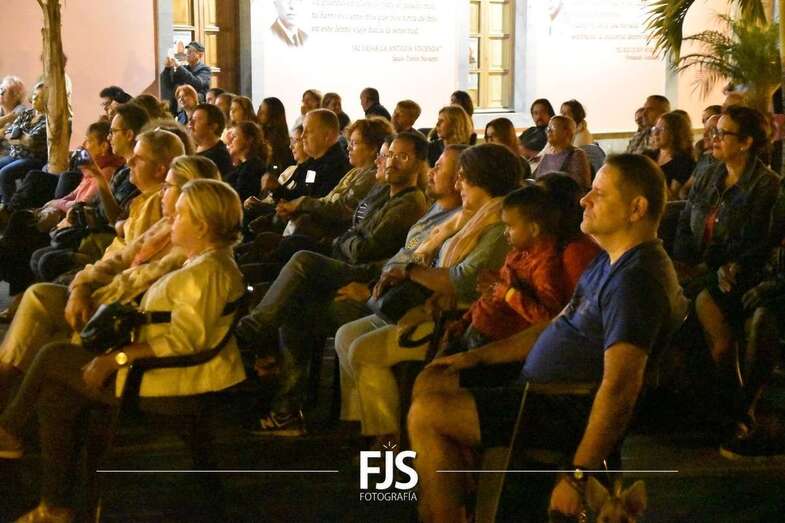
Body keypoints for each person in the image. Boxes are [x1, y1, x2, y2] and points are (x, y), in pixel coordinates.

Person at [408, 153, 687, 522]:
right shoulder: (610, 260)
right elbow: (555, 325)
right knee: (433, 378)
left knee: (428, 413)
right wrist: (474, 357)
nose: (584, 199)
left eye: (599, 193)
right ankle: (462, 499)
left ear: (636, 208)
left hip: (559, 407)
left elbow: (621, 388)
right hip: (537, 390)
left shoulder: (636, 282)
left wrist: (578, 476)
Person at [0, 179, 246, 523]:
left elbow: (186, 341)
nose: (171, 220)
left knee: (54, 355)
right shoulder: (206, 263)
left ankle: (10, 432)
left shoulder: (208, 273)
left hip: (167, 379)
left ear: (202, 226)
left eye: (179, 215)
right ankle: (54, 505)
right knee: (56, 394)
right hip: (157, 368)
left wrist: (116, 358)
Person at [236, 132, 431, 433]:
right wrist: (347, 241)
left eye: (402, 157)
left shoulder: (410, 203)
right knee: (293, 305)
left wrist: (345, 243)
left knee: (303, 259)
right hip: (354, 267)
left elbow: (366, 248)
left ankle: (250, 332)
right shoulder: (385, 193)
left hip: (370, 280)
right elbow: (353, 231)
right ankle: (288, 409)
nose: (391, 162)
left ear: (419, 164)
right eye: (390, 154)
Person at [335, 143, 520, 448]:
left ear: (483, 180)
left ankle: (389, 441)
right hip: (432, 304)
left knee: (364, 351)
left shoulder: (497, 225)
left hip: (457, 320)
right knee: (346, 335)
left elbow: (463, 281)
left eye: (463, 178)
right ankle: (365, 426)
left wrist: (410, 272)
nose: (458, 185)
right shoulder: (469, 218)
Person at [0, 155, 221, 393]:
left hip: (123, 324)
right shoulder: (167, 225)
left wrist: (115, 350)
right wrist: (82, 287)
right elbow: (120, 259)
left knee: (45, 328)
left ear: (192, 196)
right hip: (108, 303)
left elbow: (180, 329)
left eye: (168, 187)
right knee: (39, 296)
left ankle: (11, 383)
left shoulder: (190, 249)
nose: (161, 193)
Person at [436, 185, 568, 356]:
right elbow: (490, 297)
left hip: (493, 344)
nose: (505, 233)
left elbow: (546, 318)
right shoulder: (517, 254)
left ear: (533, 229)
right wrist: (465, 320)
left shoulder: (545, 265)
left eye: (510, 226)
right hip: (475, 328)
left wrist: (508, 293)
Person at [273, 117, 391, 238]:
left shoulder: (369, 176)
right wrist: (295, 207)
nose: (348, 148)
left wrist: (300, 204)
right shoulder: (355, 171)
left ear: (372, 148)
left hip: (334, 235)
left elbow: (340, 208)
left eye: (354, 143)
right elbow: (327, 200)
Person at [262, 109, 350, 201]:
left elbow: (315, 204)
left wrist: (278, 190)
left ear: (327, 135)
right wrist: (276, 189)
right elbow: (301, 194)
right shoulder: (314, 164)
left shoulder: (336, 167)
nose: (302, 136)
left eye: (308, 131)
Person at [0, 82, 48, 208]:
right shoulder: (27, 113)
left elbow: (32, 141)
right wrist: (21, 137)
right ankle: (2, 202)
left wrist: (18, 135)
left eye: (39, 97)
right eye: (34, 95)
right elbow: (8, 133)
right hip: (15, 154)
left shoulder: (48, 120)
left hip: (33, 159)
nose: (35, 98)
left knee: (5, 173)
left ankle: (9, 208)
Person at [644, 111, 695, 199]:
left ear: (674, 133)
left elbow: (673, 196)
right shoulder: (648, 155)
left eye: (661, 129)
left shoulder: (683, 161)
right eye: (655, 128)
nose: (656, 133)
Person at [534, 115, 592, 190]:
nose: (548, 131)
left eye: (552, 128)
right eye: (548, 128)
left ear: (566, 132)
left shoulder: (576, 154)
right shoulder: (547, 152)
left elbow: (580, 187)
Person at [160, 40, 212, 115]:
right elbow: (168, 84)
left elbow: (197, 83)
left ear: (200, 55)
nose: (187, 54)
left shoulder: (205, 69)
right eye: (187, 51)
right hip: (181, 106)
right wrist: (167, 69)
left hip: (196, 106)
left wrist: (179, 67)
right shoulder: (184, 69)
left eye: (191, 51)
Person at [226, 121, 269, 202]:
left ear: (249, 139)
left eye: (234, 137)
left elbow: (239, 197)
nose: (230, 141)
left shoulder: (252, 167)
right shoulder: (242, 165)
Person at [188, 103, 233, 177]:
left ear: (213, 127)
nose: (190, 123)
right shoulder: (192, 149)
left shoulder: (218, 157)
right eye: (191, 119)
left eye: (197, 119)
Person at [257, 96, 295, 175]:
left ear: (272, 115)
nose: (258, 114)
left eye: (263, 112)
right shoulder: (258, 135)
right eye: (259, 110)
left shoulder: (282, 145)